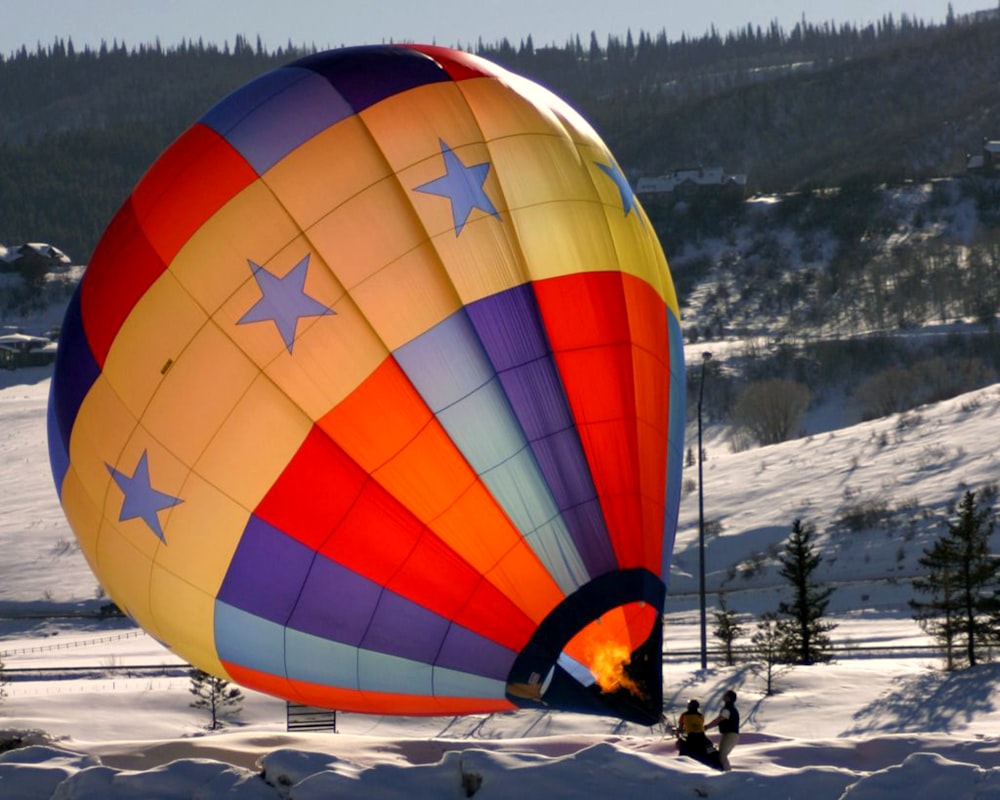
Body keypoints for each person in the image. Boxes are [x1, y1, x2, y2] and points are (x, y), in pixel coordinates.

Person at [705, 690, 740, 771]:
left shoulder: (727, 709)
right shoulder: (731, 709)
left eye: (725, 695)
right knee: (721, 755)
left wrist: (706, 727)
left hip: (730, 735)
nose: (723, 696)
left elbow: (718, 720)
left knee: (722, 756)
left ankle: (727, 774)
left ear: (728, 698)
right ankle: (724, 772)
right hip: (730, 735)